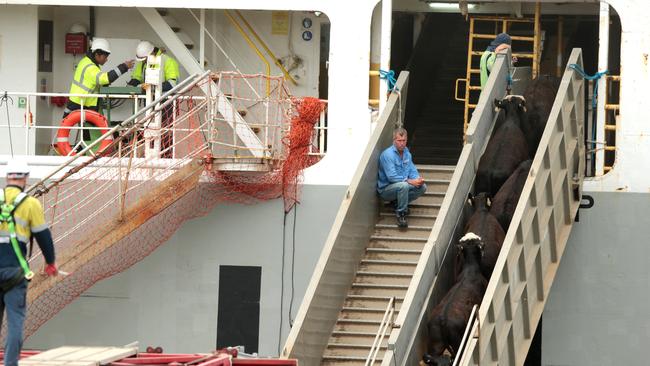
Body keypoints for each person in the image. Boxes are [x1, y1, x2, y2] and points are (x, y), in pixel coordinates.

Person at [0, 159, 58, 366]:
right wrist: (50, 262)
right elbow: (43, 236)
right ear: (24, 179)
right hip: (15, 273)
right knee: (15, 323)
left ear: (8, 177)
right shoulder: (30, 204)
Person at [63, 38, 134, 118]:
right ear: (97, 55)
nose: (106, 60)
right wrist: (124, 67)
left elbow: (94, 81)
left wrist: (104, 83)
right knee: (84, 128)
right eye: (105, 57)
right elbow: (104, 78)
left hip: (81, 102)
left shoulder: (86, 62)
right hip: (80, 103)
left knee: (86, 128)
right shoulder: (90, 67)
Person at [377, 128, 426, 228]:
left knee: (423, 187)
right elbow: (392, 177)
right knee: (403, 186)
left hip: (401, 186)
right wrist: (410, 181)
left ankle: (397, 203)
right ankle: (401, 214)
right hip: (386, 190)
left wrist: (418, 180)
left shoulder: (407, 154)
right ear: (394, 140)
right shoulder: (387, 155)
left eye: (404, 141)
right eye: (399, 141)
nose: (402, 143)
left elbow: (412, 170)